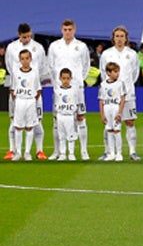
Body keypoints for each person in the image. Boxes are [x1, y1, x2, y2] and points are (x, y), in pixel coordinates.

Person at [48, 19, 90, 160]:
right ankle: (57, 151)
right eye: (65, 30)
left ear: (74, 30)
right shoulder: (54, 46)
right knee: (57, 118)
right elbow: (51, 67)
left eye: (70, 29)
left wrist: (77, 81)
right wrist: (57, 85)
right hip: (59, 89)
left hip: (77, 88)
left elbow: (86, 66)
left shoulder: (81, 46)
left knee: (80, 117)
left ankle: (84, 151)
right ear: (61, 30)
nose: (67, 32)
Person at [4, 23, 47, 161]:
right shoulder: (11, 48)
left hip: (32, 89)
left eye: (29, 36)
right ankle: (13, 150)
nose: (27, 39)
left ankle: (39, 150)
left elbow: (42, 68)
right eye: (24, 37)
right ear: (18, 35)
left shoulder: (38, 48)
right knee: (14, 122)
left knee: (37, 122)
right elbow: (9, 66)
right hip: (18, 89)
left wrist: (32, 82)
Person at [99, 26, 141, 160]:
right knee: (109, 124)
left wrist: (125, 87)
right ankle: (108, 151)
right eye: (117, 36)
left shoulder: (132, 54)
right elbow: (103, 73)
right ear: (113, 38)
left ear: (126, 38)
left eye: (122, 36)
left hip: (128, 94)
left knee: (130, 122)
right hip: (111, 96)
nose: (119, 39)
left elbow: (135, 74)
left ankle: (132, 151)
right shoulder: (106, 54)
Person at [9, 49, 42, 161]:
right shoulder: (16, 72)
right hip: (20, 101)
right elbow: (13, 89)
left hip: (30, 101)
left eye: (27, 58)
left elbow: (38, 90)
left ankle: (27, 152)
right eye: (22, 59)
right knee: (18, 127)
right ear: (20, 60)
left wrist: (32, 100)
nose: (25, 61)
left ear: (30, 59)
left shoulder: (34, 72)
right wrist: (18, 101)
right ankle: (18, 152)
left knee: (29, 127)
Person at [98, 62, 126, 162]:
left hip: (115, 107)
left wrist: (119, 112)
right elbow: (101, 100)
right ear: (108, 73)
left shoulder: (120, 84)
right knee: (109, 130)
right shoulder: (103, 84)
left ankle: (119, 153)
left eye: (117, 71)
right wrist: (102, 115)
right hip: (107, 107)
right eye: (114, 72)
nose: (117, 74)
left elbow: (122, 99)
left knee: (117, 130)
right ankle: (111, 153)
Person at [52, 68, 82, 161]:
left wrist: (78, 114)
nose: (65, 80)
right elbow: (55, 103)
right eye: (63, 78)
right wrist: (55, 115)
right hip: (60, 115)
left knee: (71, 135)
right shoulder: (57, 90)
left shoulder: (74, 90)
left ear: (71, 79)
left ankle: (71, 153)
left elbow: (77, 103)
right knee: (61, 135)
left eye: (67, 78)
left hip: (70, 116)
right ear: (60, 78)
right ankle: (62, 153)